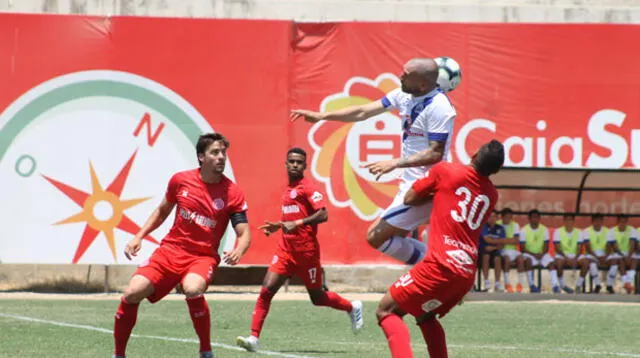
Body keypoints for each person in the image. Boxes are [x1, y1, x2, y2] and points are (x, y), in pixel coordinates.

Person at [291, 58, 456, 265]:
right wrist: (323, 116)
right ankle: (438, 268)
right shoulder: (404, 94)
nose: (400, 77)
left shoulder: (440, 107)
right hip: (410, 184)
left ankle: (438, 269)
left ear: (423, 84)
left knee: (377, 236)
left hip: (428, 186)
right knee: (390, 238)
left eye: (406, 75)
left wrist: (394, 163)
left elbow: (435, 153)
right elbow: (363, 111)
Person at [113, 133, 251, 358]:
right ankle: (118, 354)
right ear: (201, 157)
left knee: (193, 288)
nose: (221, 157)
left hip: (202, 256)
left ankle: (206, 350)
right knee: (132, 292)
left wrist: (239, 250)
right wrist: (138, 236)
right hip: (170, 251)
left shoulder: (232, 192)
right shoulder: (180, 180)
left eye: (223, 153)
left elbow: (244, 232)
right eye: (215, 152)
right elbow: (161, 212)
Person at [375, 139, 504, 358]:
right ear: (497, 170)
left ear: (473, 155)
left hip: (439, 266)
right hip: (464, 275)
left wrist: (435, 190)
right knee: (425, 316)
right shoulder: (492, 195)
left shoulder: (446, 171)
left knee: (385, 310)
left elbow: (410, 198)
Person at [236, 148, 364, 352]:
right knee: (267, 289)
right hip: (285, 251)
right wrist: (280, 225)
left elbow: (323, 214)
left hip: (307, 253)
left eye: (299, 162)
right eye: (292, 161)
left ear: (305, 166)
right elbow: (292, 218)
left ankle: (352, 307)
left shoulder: (308, 187)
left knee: (318, 298)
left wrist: (297, 222)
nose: (295, 165)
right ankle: (254, 337)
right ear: (285, 164)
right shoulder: (288, 189)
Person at [517, 210, 557, 293]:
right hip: (528, 254)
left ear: (539, 219)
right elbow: (522, 248)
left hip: (541, 254)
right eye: (533, 217)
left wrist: (542, 254)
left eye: (536, 217)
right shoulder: (524, 230)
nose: (535, 219)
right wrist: (534, 254)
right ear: (529, 219)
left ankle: (555, 285)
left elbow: (546, 245)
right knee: (528, 261)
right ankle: (531, 285)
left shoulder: (544, 229)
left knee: (552, 263)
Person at [578, 213, 618, 294]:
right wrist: (597, 257)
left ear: (602, 221)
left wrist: (605, 256)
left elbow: (610, 246)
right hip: (592, 254)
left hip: (605, 254)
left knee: (614, 263)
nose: (598, 223)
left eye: (600, 221)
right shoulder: (586, 231)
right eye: (596, 221)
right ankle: (597, 285)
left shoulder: (608, 231)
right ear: (592, 222)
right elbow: (588, 248)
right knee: (592, 263)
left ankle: (609, 285)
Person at [553, 213, 587, 293]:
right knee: (559, 263)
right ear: (564, 221)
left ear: (573, 221)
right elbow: (557, 248)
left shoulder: (579, 232)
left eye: (571, 220)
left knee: (586, 263)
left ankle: (578, 285)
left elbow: (580, 247)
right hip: (562, 255)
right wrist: (566, 258)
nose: (569, 222)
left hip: (575, 255)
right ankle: (563, 285)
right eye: (567, 220)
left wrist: (575, 258)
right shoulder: (558, 231)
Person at [608, 214, 638, 293]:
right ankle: (626, 283)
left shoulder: (632, 230)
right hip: (618, 253)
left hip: (630, 253)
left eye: (625, 221)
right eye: (621, 221)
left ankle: (627, 283)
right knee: (620, 260)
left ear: (627, 222)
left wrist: (628, 255)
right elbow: (615, 246)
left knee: (634, 260)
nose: (623, 223)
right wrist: (623, 255)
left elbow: (632, 244)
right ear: (618, 221)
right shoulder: (612, 231)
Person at [478, 211, 507, 292]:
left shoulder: (500, 228)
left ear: (497, 218)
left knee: (497, 258)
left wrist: (493, 247)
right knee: (486, 256)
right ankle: (486, 282)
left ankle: (497, 283)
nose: (492, 218)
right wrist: (497, 242)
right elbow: (487, 239)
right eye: (490, 216)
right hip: (484, 250)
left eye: (494, 216)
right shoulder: (483, 226)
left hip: (494, 250)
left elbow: (503, 242)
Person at [496, 207, 522, 292]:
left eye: (510, 217)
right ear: (502, 217)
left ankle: (520, 283)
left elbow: (516, 241)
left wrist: (503, 240)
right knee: (506, 259)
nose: (508, 219)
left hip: (513, 250)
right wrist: (510, 240)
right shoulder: (497, 224)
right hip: (502, 250)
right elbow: (497, 241)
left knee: (521, 259)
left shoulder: (515, 225)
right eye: (507, 217)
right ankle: (507, 283)